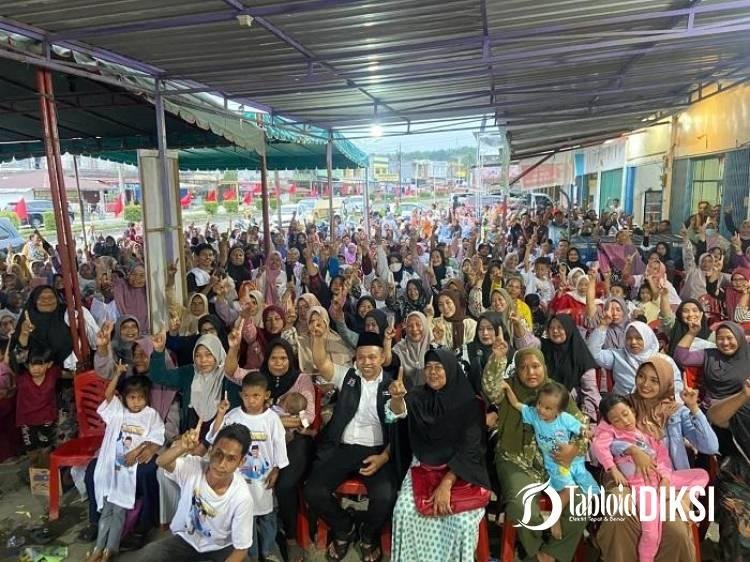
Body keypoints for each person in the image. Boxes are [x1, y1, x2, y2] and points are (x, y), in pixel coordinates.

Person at [483, 346, 589, 562]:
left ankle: (550, 554)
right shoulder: (507, 388)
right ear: (516, 371)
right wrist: (497, 358)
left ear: (544, 366)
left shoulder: (557, 393)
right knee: (523, 508)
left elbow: (583, 425)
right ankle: (536, 552)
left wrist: (574, 448)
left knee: (581, 504)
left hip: (555, 463)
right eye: (523, 368)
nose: (530, 372)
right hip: (516, 461)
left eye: (535, 366)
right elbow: (490, 388)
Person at [306, 331, 404, 562]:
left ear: (381, 358)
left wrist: (384, 457)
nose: (366, 362)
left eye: (372, 357)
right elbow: (321, 363)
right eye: (361, 357)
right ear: (356, 359)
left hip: (377, 451)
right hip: (343, 448)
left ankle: (368, 534)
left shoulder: (391, 384)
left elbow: (398, 421)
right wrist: (318, 337)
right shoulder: (348, 377)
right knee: (313, 490)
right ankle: (344, 527)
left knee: (385, 496)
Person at [388, 348, 491, 561]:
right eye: (428, 368)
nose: (432, 372)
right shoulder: (418, 396)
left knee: (461, 521)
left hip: (462, 470)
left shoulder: (470, 404)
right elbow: (396, 414)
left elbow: (471, 448)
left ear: (451, 370)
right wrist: (397, 398)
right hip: (423, 465)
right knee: (404, 511)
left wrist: (447, 483)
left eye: (438, 367)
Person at [592, 393, 709, 562]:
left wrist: (666, 479)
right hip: (643, 485)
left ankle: (683, 499)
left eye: (626, 414)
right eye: (616, 420)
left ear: (632, 411)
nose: (624, 421)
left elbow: (663, 460)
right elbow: (600, 444)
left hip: (662, 480)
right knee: (650, 531)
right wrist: (626, 456)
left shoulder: (653, 430)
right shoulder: (613, 430)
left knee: (701, 475)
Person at [134, 423, 254, 562]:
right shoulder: (194, 466)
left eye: (231, 458)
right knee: (148, 555)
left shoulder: (242, 497)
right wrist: (181, 447)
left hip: (219, 548)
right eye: (218, 454)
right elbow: (161, 462)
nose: (221, 464)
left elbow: (241, 549)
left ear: (241, 462)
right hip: (185, 540)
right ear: (210, 450)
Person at [500, 380, 599, 540]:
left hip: (574, 462)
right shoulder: (533, 415)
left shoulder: (565, 419)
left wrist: (587, 433)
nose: (540, 409)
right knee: (569, 490)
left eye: (547, 408)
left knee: (593, 491)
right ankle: (555, 518)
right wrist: (507, 388)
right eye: (539, 404)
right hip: (555, 464)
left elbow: (581, 429)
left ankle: (591, 527)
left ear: (558, 411)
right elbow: (516, 404)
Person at [205, 374, 288, 562]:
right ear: (241, 395)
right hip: (239, 481)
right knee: (245, 518)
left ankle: (268, 551)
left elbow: (279, 446)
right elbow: (214, 437)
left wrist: (276, 469)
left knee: (267, 516)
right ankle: (251, 555)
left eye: (256, 396)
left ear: (266, 395)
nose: (251, 401)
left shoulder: (272, 419)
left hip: (263, 480)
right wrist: (220, 414)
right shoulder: (233, 416)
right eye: (247, 396)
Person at [89, 367, 164, 562]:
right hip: (112, 470)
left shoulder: (150, 415)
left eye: (140, 398)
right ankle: (98, 547)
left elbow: (156, 438)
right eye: (132, 398)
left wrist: (137, 451)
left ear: (147, 398)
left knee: (119, 510)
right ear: (124, 398)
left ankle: (109, 550)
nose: (136, 402)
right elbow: (107, 395)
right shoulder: (118, 413)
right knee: (107, 510)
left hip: (128, 473)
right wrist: (117, 375)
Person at [707, 377, 750, 562]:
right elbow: (715, 417)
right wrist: (744, 395)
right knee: (739, 534)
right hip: (741, 477)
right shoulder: (743, 405)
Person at [588, 319, 684, 398]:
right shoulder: (618, 356)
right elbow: (593, 354)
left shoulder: (664, 360)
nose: (633, 342)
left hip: (655, 406)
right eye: (629, 338)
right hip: (624, 407)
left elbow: (677, 385)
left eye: (638, 338)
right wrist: (603, 325)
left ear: (647, 338)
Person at [13, 348, 60, 471]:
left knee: (46, 446)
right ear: (27, 366)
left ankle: (46, 472)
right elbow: (14, 358)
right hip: (26, 419)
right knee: (31, 448)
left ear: (48, 365)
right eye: (32, 365)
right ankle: (35, 470)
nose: (36, 369)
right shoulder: (22, 378)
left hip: (46, 418)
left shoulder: (53, 373)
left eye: (41, 365)